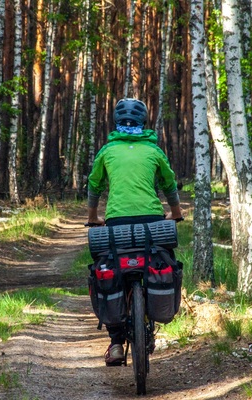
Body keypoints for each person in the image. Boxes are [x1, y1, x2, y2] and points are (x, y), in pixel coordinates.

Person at [87, 98, 182, 366]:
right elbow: (169, 184)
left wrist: (93, 218)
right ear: (144, 122)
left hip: (116, 222)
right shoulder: (154, 151)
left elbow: (94, 185)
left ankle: (116, 343)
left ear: (116, 122)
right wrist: (175, 213)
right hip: (152, 222)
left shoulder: (107, 151)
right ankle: (154, 309)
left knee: (108, 269)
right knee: (163, 259)